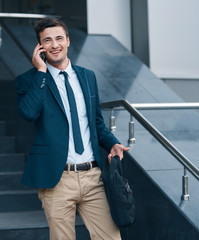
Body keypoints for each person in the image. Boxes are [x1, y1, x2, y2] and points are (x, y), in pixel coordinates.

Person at [15, 17, 129, 240]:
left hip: (93, 176)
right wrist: (40, 72)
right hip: (57, 179)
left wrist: (112, 143)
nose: (54, 44)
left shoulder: (87, 76)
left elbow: (95, 122)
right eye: (47, 40)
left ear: (68, 40)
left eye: (59, 38)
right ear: (40, 47)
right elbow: (28, 113)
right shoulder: (28, 80)